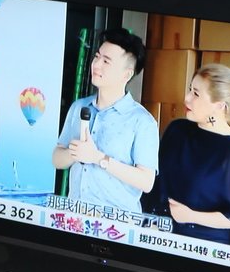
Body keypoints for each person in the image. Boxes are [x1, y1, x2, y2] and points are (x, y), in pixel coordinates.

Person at [147, 63, 230, 246]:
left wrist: (191, 216)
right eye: (190, 90)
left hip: (202, 249)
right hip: (156, 238)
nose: (187, 98)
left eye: (196, 94)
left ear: (219, 106)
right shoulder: (177, 130)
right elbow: (155, 183)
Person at [52, 28, 159, 212]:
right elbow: (57, 159)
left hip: (115, 223)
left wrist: (98, 158)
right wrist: (75, 153)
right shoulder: (79, 107)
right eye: (97, 57)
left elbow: (146, 182)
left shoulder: (142, 121)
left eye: (106, 61)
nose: (96, 64)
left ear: (126, 74)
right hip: (74, 217)